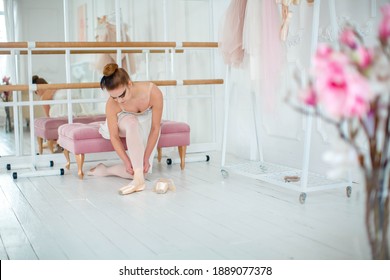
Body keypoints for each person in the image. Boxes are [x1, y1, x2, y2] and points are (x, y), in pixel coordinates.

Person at [88, 63, 163, 195]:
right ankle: (137, 179)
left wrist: (145, 158)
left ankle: (105, 170)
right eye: (114, 97)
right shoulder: (113, 104)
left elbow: (156, 128)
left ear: (129, 84)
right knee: (131, 122)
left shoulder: (153, 93)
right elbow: (114, 137)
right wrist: (126, 161)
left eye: (122, 95)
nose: (119, 100)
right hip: (123, 122)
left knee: (141, 172)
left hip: (144, 124)